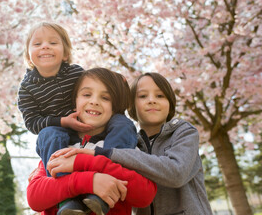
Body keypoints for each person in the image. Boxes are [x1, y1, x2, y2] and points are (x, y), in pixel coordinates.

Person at [48, 72, 213, 215]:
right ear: (131, 106)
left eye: (160, 96)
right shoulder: (130, 143)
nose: (151, 100)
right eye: (142, 96)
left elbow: (177, 173)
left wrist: (105, 153)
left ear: (170, 103)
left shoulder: (183, 132)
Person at [17, 22, 138, 212]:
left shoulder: (75, 73)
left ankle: (110, 169)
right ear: (28, 56)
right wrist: (62, 122)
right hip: (59, 133)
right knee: (48, 134)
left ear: (65, 54)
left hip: (90, 127)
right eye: (37, 44)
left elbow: (97, 85)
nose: (45, 46)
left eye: (53, 42)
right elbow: (32, 122)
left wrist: (119, 84)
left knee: (123, 122)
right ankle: (67, 199)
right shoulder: (26, 87)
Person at [27, 68, 157, 215]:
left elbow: (145, 195)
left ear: (115, 108)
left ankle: (96, 200)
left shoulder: (127, 147)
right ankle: (68, 203)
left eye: (105, 98)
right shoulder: (59, 146)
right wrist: (89, 181)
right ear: (74, 101)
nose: (94, 101)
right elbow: (34, 198)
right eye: (87, 94)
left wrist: (87, 162)